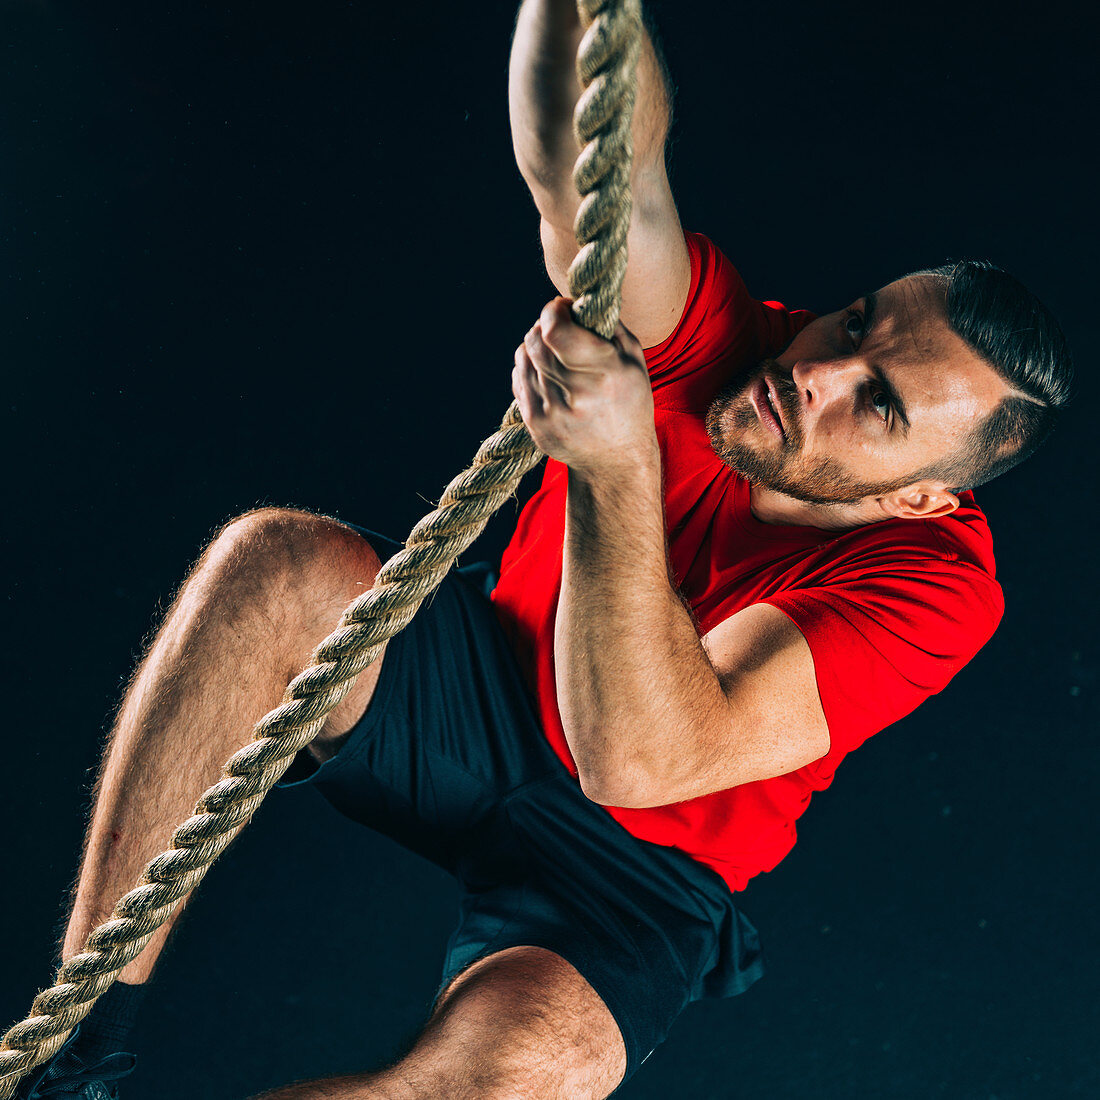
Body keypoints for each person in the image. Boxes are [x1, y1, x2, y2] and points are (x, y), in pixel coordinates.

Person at [15, 1, 1071, 1098]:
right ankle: (75, 1055)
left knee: (514, 1077)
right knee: (275, 561)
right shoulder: (735, 344)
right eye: (855, 324)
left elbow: (640, 759)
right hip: (481, 687)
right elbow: (591, 171)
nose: (819, 370)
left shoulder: (937, 588)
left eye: (879, 403)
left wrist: (616, 465)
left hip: (632, 862)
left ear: (920, 493)